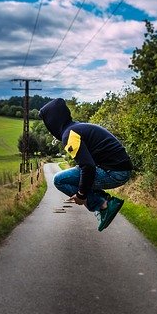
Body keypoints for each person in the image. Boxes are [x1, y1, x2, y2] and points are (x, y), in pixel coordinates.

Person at [39, 98, 133, 231]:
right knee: (77, 175)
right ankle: (104, 201)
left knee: (59, 180)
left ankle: (103, 205)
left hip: (116, 172)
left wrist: (81, 195)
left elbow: (88, 167)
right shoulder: (76, 128)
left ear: (53, 122)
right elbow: (87, 164)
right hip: (119, 169)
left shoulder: (69, 135)